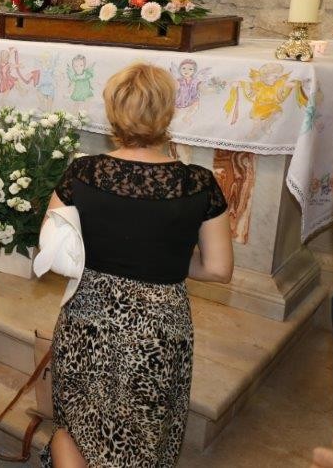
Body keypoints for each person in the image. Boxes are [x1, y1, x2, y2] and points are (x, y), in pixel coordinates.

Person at [40, 63, 233, 468]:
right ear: (167, 113)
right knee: (144, 440)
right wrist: (167, 258)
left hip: (88, 319)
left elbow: (54, 247)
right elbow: (218, 269)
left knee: (76, 427)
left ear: (114, 112)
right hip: (159, 329)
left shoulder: (82, 172)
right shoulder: (198, 183)